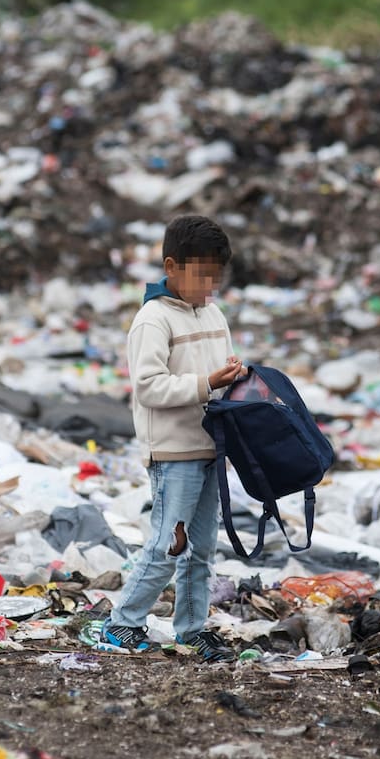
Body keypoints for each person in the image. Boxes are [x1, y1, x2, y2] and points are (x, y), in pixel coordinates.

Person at [102, 214, 243, 662]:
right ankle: (122, 622)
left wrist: (235, 383)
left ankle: (191, 630)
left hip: (208, 448)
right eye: (202, 276)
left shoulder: (214, 314)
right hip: (173, 452)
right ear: (172, 267)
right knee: (168, 544)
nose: (209, 286)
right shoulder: (153, 320)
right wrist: (206, 383)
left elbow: (217, 378)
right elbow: (149, 386)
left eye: (215, 277)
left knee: (201, 550)